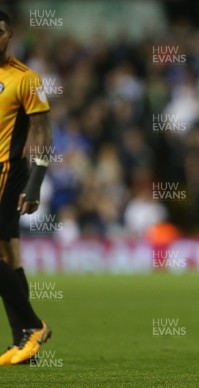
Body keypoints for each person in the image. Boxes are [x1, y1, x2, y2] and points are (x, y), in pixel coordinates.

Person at [0, 10, 52, 365]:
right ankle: (26, 343)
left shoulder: (26, 78)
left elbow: (43, 133)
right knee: (9, 255)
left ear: (10, 34)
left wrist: (35, 182)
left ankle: (32, 326)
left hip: (8, 171)